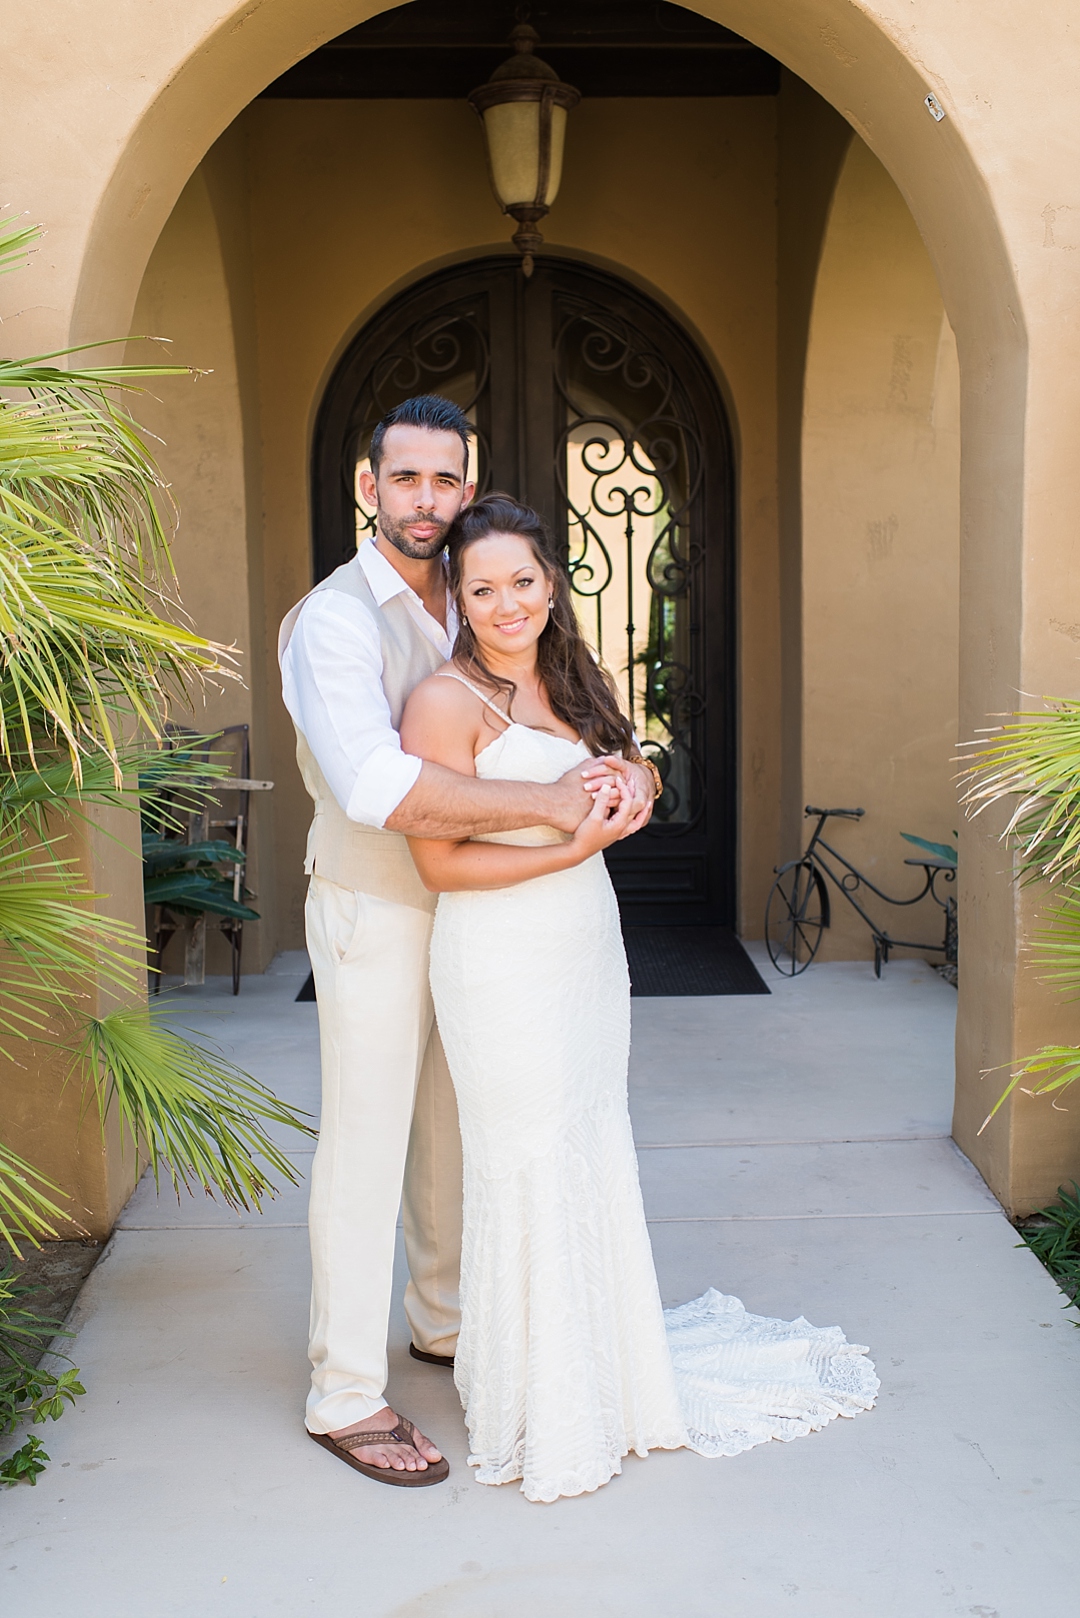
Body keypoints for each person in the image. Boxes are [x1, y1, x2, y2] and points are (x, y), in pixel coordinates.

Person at [400, 493, 880, 1503]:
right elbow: (439, 864)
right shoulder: (441, 702)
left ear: (551, 581)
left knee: (584, 1138)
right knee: (520, 1153)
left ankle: (597, 1362)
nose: (505, 605)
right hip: (497, 956)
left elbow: (626, 765)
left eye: (522, 582)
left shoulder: (573, 676)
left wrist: (637, 780)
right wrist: (574, 840)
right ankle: (532, 1390)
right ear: (458, 594)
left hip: (583, 947)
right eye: (480, 588)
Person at [278, 398, 657, 1488]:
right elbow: (375, 783)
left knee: (453, 1124)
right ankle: (343, 1391)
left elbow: (570, 721)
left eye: (447, 480)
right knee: (368, 1138)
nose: (428, 500)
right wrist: (552, 817)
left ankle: (442, 1320)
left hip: (486, 926)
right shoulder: (336, 621)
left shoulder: (474, 593)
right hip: (378, 905)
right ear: (371, 488)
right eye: (407, 480)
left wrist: (619, 773)